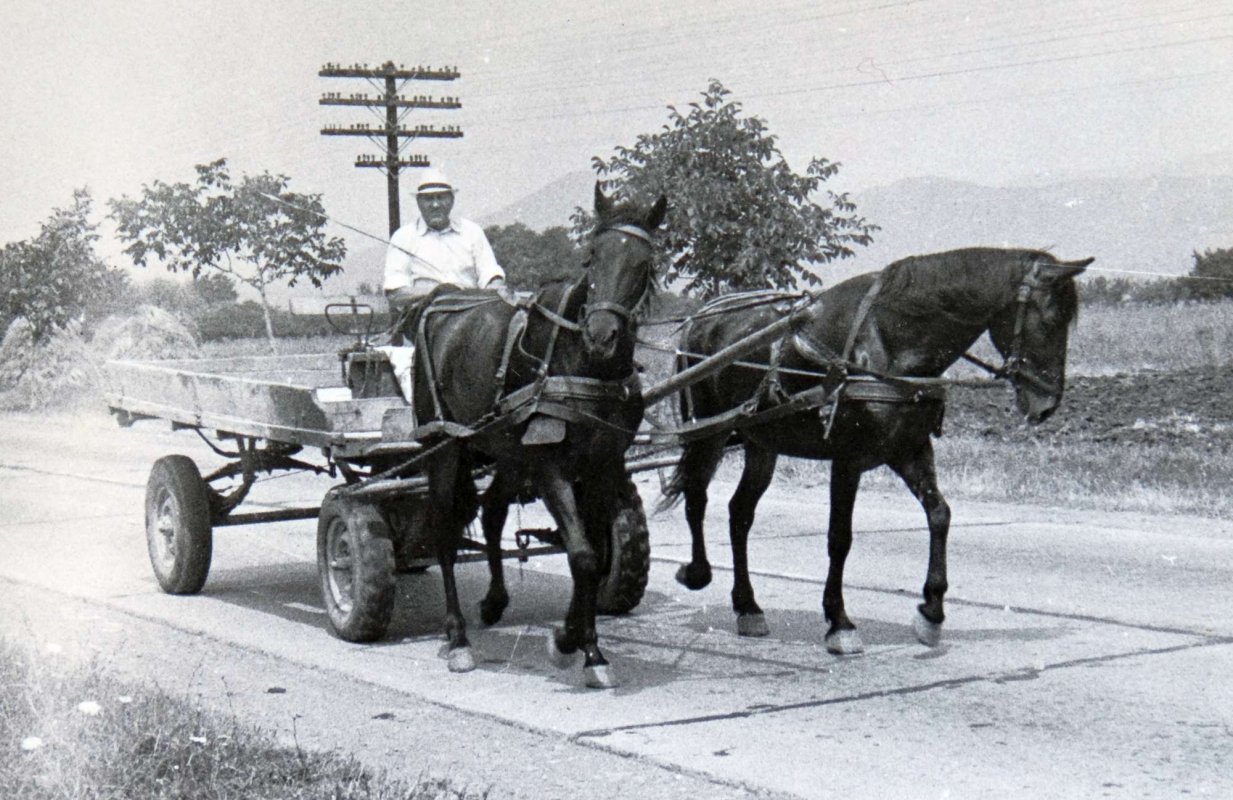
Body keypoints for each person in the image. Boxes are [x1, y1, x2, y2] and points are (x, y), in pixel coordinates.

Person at [383, 168, 505, 329]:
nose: (435, 204)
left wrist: (493, 287)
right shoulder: (404, 237)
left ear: (452, 200)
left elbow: (491, 273)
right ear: (419, 202)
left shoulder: (472, 232)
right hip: (425, 318)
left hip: (472, 315)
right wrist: (441, 292)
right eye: (428, 199)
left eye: (441, 198)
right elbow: (395, 293)